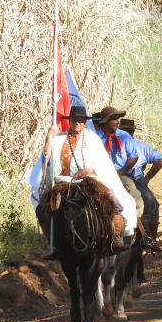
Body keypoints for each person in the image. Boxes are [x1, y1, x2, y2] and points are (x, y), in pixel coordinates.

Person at [31, 106, 138, 258]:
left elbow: (103, 165)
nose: (78, 123)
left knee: (110, 203)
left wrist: (88, 171)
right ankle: (54, 245)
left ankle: (113, 240)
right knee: (42, 209)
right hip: (62, 183)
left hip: (88, 182)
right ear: (70, 121)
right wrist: (49, 137)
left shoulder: (92, 138)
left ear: (84, 122)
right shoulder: (58, 138)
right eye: (75, 120)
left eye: (81, 120)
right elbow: (46, 158)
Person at [119, 119, 162, 251]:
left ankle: (148, 236)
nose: (128, 132)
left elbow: (160, 158)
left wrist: (147, 178)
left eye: (130, 130)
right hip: (115, 178)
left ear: (133, 131)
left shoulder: (141, 146)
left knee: (151, 201)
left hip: (136, 180)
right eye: (124, 130)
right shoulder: (113, 143)